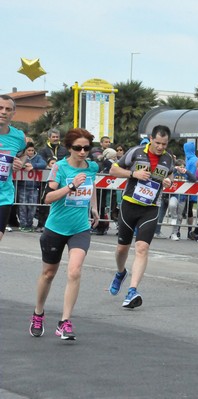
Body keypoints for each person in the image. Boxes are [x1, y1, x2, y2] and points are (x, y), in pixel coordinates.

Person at [29, 128, 100, 340]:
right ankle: (38, 313)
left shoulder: (92, 167)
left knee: (74, 271)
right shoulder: (59, 167)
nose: (83, 152)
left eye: (86, 148)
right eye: (78, 148)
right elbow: (48, 197)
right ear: (69, 148)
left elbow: (91, 186)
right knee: (48, 274)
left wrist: (94, 208)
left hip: (79, 228)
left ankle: (64, 321)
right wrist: (70, 186)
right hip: (56, 228)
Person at [107, 125, 174, 308]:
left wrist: (168, 180)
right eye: (158, 143)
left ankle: (132, 291)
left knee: (142, 248)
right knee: (122, 249)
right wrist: (133, 173)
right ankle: (121, 272)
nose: (160, 147)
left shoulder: (168, 159)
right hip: (129, 205)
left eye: (164, 144)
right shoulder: (135, 152)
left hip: (150, 208)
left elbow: (169, 176)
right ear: (151, 139)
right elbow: (113, 170)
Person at [0, 95, 26, 241]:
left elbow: (23, 154)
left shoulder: (19, 136)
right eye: (0, 108)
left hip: (3, 195)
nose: (3, 112)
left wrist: (20, 163)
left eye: (8, 109)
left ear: (13, 113)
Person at [17, 142, 46, 231]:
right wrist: (24, 165)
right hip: (22, 186)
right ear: (25, 151)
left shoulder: (38, 157)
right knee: (22, 206)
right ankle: (23, 224)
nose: (31, 152)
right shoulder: (22, 158)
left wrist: (33, 166)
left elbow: (44, 164)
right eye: (29, 150)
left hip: (34, 187)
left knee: (32, 207)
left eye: (32, 150)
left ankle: (29, 225)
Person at [167, 159, 197, 241]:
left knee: (179, 217)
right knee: (172, 205)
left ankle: (174, 233)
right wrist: (175, 169)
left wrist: (186, 171)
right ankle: (173, 216)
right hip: (174, 196)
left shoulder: (185, 174)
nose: (181, 169)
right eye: (180, 167)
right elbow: (167, 174)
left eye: (183, 167)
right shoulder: (174, 172)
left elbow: (194, 179)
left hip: (182, 198)